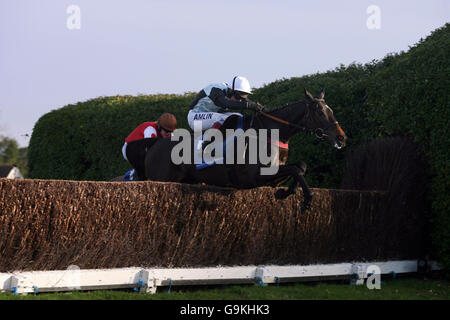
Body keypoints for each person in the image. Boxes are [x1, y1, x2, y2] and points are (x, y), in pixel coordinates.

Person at [187, 76, 263, 131]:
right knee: (223, 118)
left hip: (207, 117)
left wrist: (262, 109)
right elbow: (225, 103)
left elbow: (249, 103)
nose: (240, 100)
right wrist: (248, 105)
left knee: (239, 117)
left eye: (243, 97)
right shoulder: (216, 89)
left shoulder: (234, 92)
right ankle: (207, 143)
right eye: (239, 97)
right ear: (231, 90)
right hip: (195, 118)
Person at [122, 113, 177, 181]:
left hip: (142, 148)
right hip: (130, 149)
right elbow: (151, 152)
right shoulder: (150, 129)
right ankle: (133, 176)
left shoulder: (169, 134)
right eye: (166, 131)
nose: (169, 134)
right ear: (159, 127)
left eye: (171, 131)